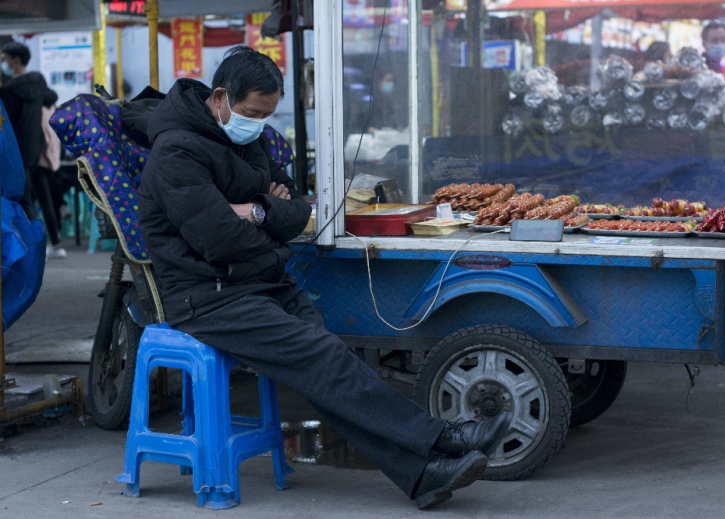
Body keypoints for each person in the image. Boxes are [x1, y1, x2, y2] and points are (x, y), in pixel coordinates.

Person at [137, 46, 512, 510]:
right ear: (220, 98)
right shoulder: (176, 152)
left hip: (259, 283)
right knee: (325, 356)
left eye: (266, 115)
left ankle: (422, 474)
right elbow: (220, 239)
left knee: (332, 370)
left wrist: (256, 210)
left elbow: (295, 211)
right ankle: (445, 439)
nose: (258, 123)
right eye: (253, 113)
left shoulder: (247, 140)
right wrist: (265, 219)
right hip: (207, 297)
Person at [0, 41, 66, 258]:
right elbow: (51, 97)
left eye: (5, 58)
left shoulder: (9, 90)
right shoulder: (38, 81)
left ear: (15, 60)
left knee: (23, 200)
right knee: (43, 199)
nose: (4, 63)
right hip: (38, 148)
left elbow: (6, 122)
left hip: (17, 152)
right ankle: (55, 244)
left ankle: (32, 247)